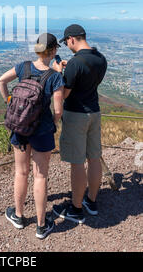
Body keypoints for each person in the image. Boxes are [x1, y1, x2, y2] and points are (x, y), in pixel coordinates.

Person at [0, 33, 64, 239]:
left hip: (20, 128)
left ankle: (18, 216)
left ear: (37, 48)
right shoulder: (55, 77)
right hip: (42, 131)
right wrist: (51, 123)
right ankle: (42, 226)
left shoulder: (23, 67)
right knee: (40, 176)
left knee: (21, 172)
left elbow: (1, 81)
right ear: (53, 51)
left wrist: (10, 102)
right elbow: (59, 111)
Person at [52, 24, 107, 224]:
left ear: (72, 39)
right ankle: (91, 201)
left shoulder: (75, 63)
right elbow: (88, 79)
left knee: (77, 163)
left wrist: (60, 73)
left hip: (76, 115)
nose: (67, 45)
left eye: (66, 42)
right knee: (94, 157)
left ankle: (75, 209)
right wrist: (70, 69)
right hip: (95, 112)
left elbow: (64, 94)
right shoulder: (100, 58)